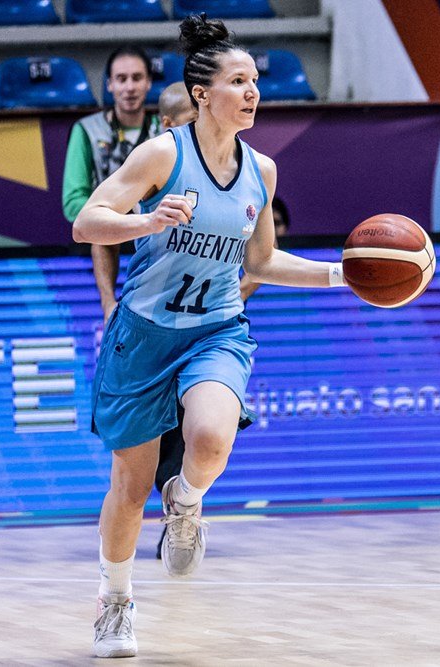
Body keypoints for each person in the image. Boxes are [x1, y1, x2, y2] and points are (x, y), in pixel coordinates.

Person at [73, 15, 347, 658]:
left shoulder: (263, 171)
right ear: (201, 93)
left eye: (255, 82)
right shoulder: (163, 153)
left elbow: (259, 264)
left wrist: (343, 275)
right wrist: (145, 220)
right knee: (129, 488)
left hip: (215, 331)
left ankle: (188, 504)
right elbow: (88, 222)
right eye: (238, 81)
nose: (252, 93)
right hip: (142, 336)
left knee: (211, 437)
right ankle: (115, 602)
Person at [153, 194, 290, 558]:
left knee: (207, 440)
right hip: (168, 340)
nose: (271, 227)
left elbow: (245, 289)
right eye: (268, 220)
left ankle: (185, 511)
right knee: (161, 449)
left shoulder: (261, 262)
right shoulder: (210, 247)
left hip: (218, 351)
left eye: (277, 225)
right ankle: (177, 513)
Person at [63, 45, 163, 323]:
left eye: (137, 78)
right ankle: (109, 308)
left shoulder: (166, 129)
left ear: (148, 82)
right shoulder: (87, 130)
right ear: (109, 84)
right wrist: (122, 217)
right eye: (121, 79)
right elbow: (73, 203)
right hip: (109, 229)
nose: (129, 87)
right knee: (102, 233)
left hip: (157, 229)